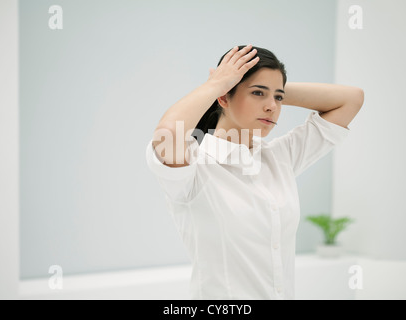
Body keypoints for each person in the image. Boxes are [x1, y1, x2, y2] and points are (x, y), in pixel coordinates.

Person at [145, 44, 364, 299]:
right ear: (224, 97)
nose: (272, 106)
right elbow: (168, 134)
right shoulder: (195, 165)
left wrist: (267, 87)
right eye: (258, 94)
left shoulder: (279, 157)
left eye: (278, 98)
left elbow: (352, 98)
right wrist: (219, 83)